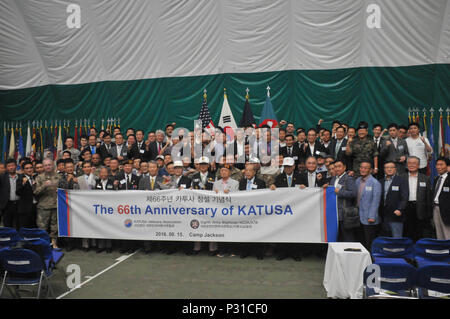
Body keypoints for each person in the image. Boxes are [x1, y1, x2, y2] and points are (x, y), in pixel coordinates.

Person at [238, 163, 267, 259]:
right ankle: (245, 251)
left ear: (255, 172)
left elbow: (264, 197)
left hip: (257, 211)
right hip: (244, 211)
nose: (248, 172)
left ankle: (259, 252)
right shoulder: (241, 182)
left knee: (258, 231)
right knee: (245, 231)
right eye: (246, 170)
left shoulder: (261, 182)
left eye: (250, 170)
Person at [401, 156, 432, 241]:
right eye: (409, 163)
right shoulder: (401, 177)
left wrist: (429, 214)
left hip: (420, 209)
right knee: (406, 233)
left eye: (414, 163)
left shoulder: (425, 178)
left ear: (418, 165)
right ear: (407, 165)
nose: (411, 165)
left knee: (420, 233)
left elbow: (428, 197)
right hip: (406, 208)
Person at [33, 158, 61, 248]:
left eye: (49, 165)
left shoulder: (59, 176)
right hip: (43, 206)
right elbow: (35, 192)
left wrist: (60, 191)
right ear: (43, 167)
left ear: (53, 165)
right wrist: (44, 186)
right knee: (42, 227)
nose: (48, 167)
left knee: (55, 226)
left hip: (56, 205)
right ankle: (43, 244)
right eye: (46, 165)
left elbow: (65, 190)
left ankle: (54, 243)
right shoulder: (39, 178)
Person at [213, 164, 239, 258]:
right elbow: (212, 197)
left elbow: (237, 196)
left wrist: (230, 193)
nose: (223, 172)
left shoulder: (235, 183)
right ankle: (222, 250)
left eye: (225, 170)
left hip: (230, 209)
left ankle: (232, 250)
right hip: (219, 210)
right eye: (222, 170)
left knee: (231, 229)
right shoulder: (216, 183)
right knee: (221, 229)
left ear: (229, 172)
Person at [356, 161, 382, 250]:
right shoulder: (357, 181)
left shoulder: (375, 183)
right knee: (360, 241)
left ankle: (370, 260)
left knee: (369, 242)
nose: (363, 169)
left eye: (366, 168)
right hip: (358, 216)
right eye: (361, 167)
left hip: (369, 218)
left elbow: (376, 201)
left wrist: (372, 216)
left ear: (370, 170)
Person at [330, 160, 358, 242]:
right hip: (335, 214)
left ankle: (350, 254)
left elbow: (353, 194)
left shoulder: (349, 179)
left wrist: (340, 192)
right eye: (335, 167)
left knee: (347, 238)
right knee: (338, 238)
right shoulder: (333, 179)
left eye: (339, 166)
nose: (337, 169)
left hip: (345, 214)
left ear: (344, 167)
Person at [379, 161, 409, 238]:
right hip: (383, 214)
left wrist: (400, 209)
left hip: (396, 214)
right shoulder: (380, 181)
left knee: (396, 238)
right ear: (384, 169)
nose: (389, 169)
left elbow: (405, 197)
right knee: (386, 238)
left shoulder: (401, 181)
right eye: (387, 168)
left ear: (395, 169)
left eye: (391, 167)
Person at [93, 167, 115, 253]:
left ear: (108, 174)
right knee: (100, 228)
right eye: (101, 173)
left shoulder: (112, 182)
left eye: (105, 173)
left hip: (109, 209)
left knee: (108, 228)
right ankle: (100, 246)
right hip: (100, 209)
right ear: (99, 174)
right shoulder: (97, 183)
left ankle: (109, 246)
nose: (103, 175)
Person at [16, 161, 38, 229]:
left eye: (31, 168)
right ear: (23, 170)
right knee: (24, 228)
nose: (29, 170)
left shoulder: (35, 177)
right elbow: (18, 192)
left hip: (35, 207)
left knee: (34, 227)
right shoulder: (20, 178)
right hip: (25, 209)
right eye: (27, 168)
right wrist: (23, 184)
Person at [432, 157, 450, 240]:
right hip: (435, 208)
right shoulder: (436, 179)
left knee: (447, 234)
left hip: (447, 211)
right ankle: (442, 251)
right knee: (439, 234)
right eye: (437, 165)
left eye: (441, 164)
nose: (438, 167)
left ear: (447, 166)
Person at [0, 159, 20, 228]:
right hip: (7, 205)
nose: (11, 167)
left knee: (17, 224)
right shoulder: (2, 177)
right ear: (6, 168)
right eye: (9, 166)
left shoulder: (21, 176)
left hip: (18, 204)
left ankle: (17, 238)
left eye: (12, 165)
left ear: (16, 166)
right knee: (7, 225)